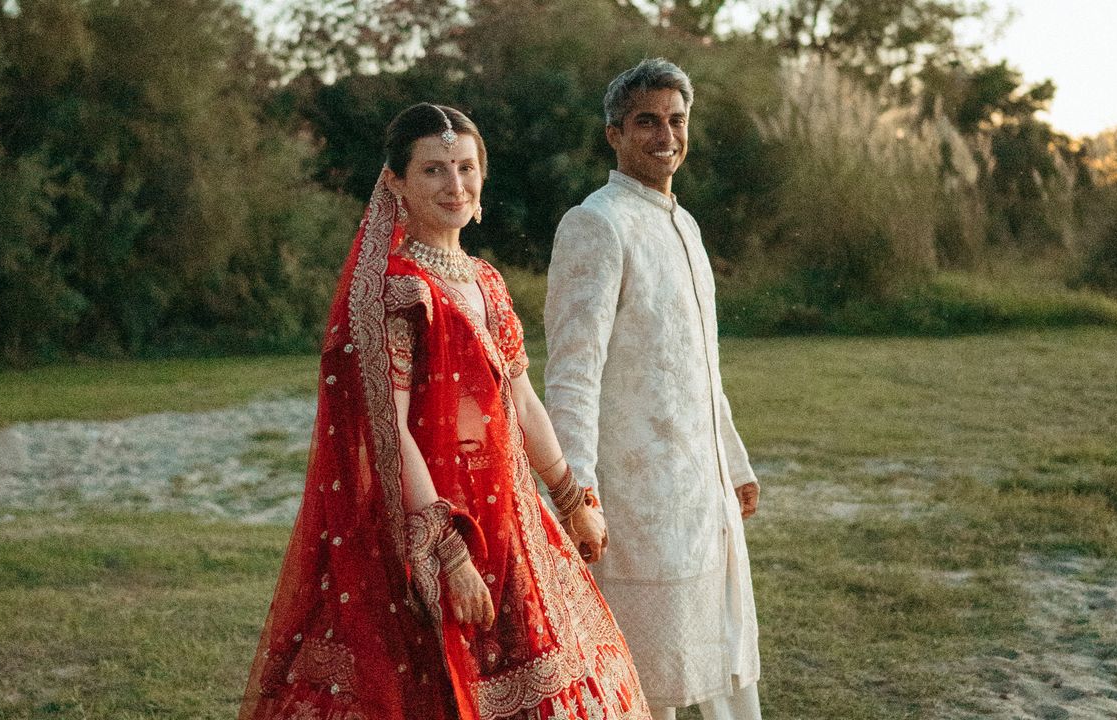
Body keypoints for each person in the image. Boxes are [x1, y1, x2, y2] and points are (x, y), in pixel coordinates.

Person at [238, 103, 650, 720]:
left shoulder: (485, 280)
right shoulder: (398, 291)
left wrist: (571, 500)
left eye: (465, 167)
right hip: (425, 529)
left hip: (510, 522)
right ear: (396, 183)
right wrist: (446, 552)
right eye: (433, 170)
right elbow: (390, 429)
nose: (454, 185)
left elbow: (522, 399)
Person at [544, 59, 763, 720]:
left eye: (676, 120)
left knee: (720, 659)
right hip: (635, 499)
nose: (665, 135)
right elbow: (572, 374)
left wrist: (736, 461)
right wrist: (577, 491)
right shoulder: (598, 223)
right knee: (642, 676)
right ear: (615, 133)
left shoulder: (685, 226)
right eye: (647, 121)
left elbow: (700, 366)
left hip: (702, 490)